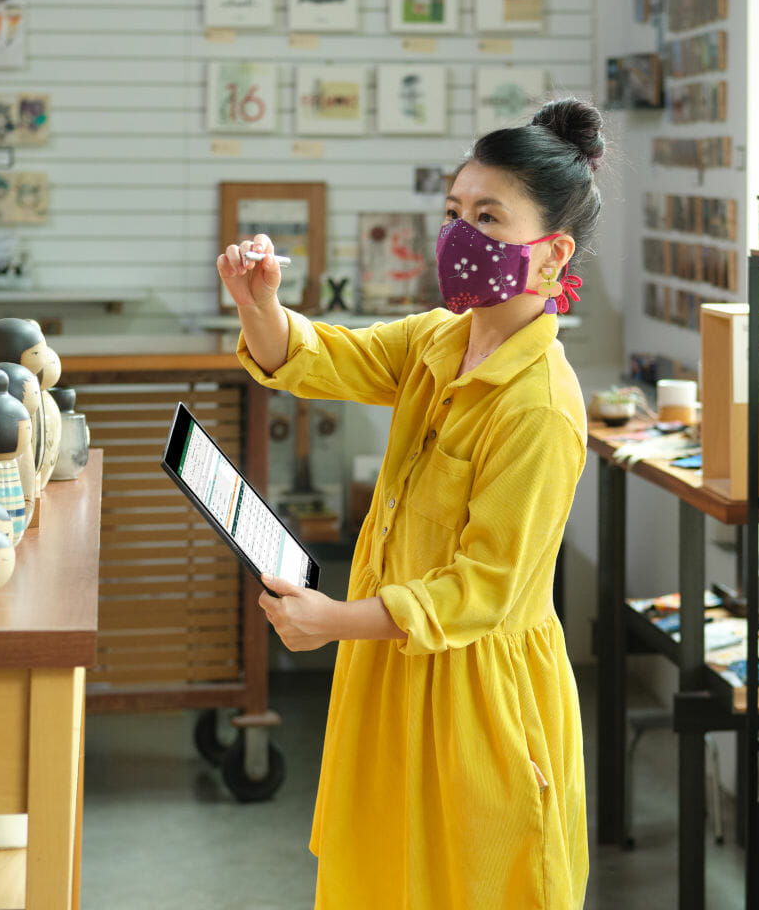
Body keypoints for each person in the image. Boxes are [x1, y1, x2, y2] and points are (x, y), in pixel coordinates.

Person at [217, 99, 605, 909]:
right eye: (455, 213)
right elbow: (326, 358)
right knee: (379, 877)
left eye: (489, 217)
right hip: (392, 669)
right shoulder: (440, 340)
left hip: (479, 700)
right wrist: (258, 303)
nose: (460, 236)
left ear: (552, 252)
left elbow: (484, 592)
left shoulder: (539, 407)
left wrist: (334, 620)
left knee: (472, 881)